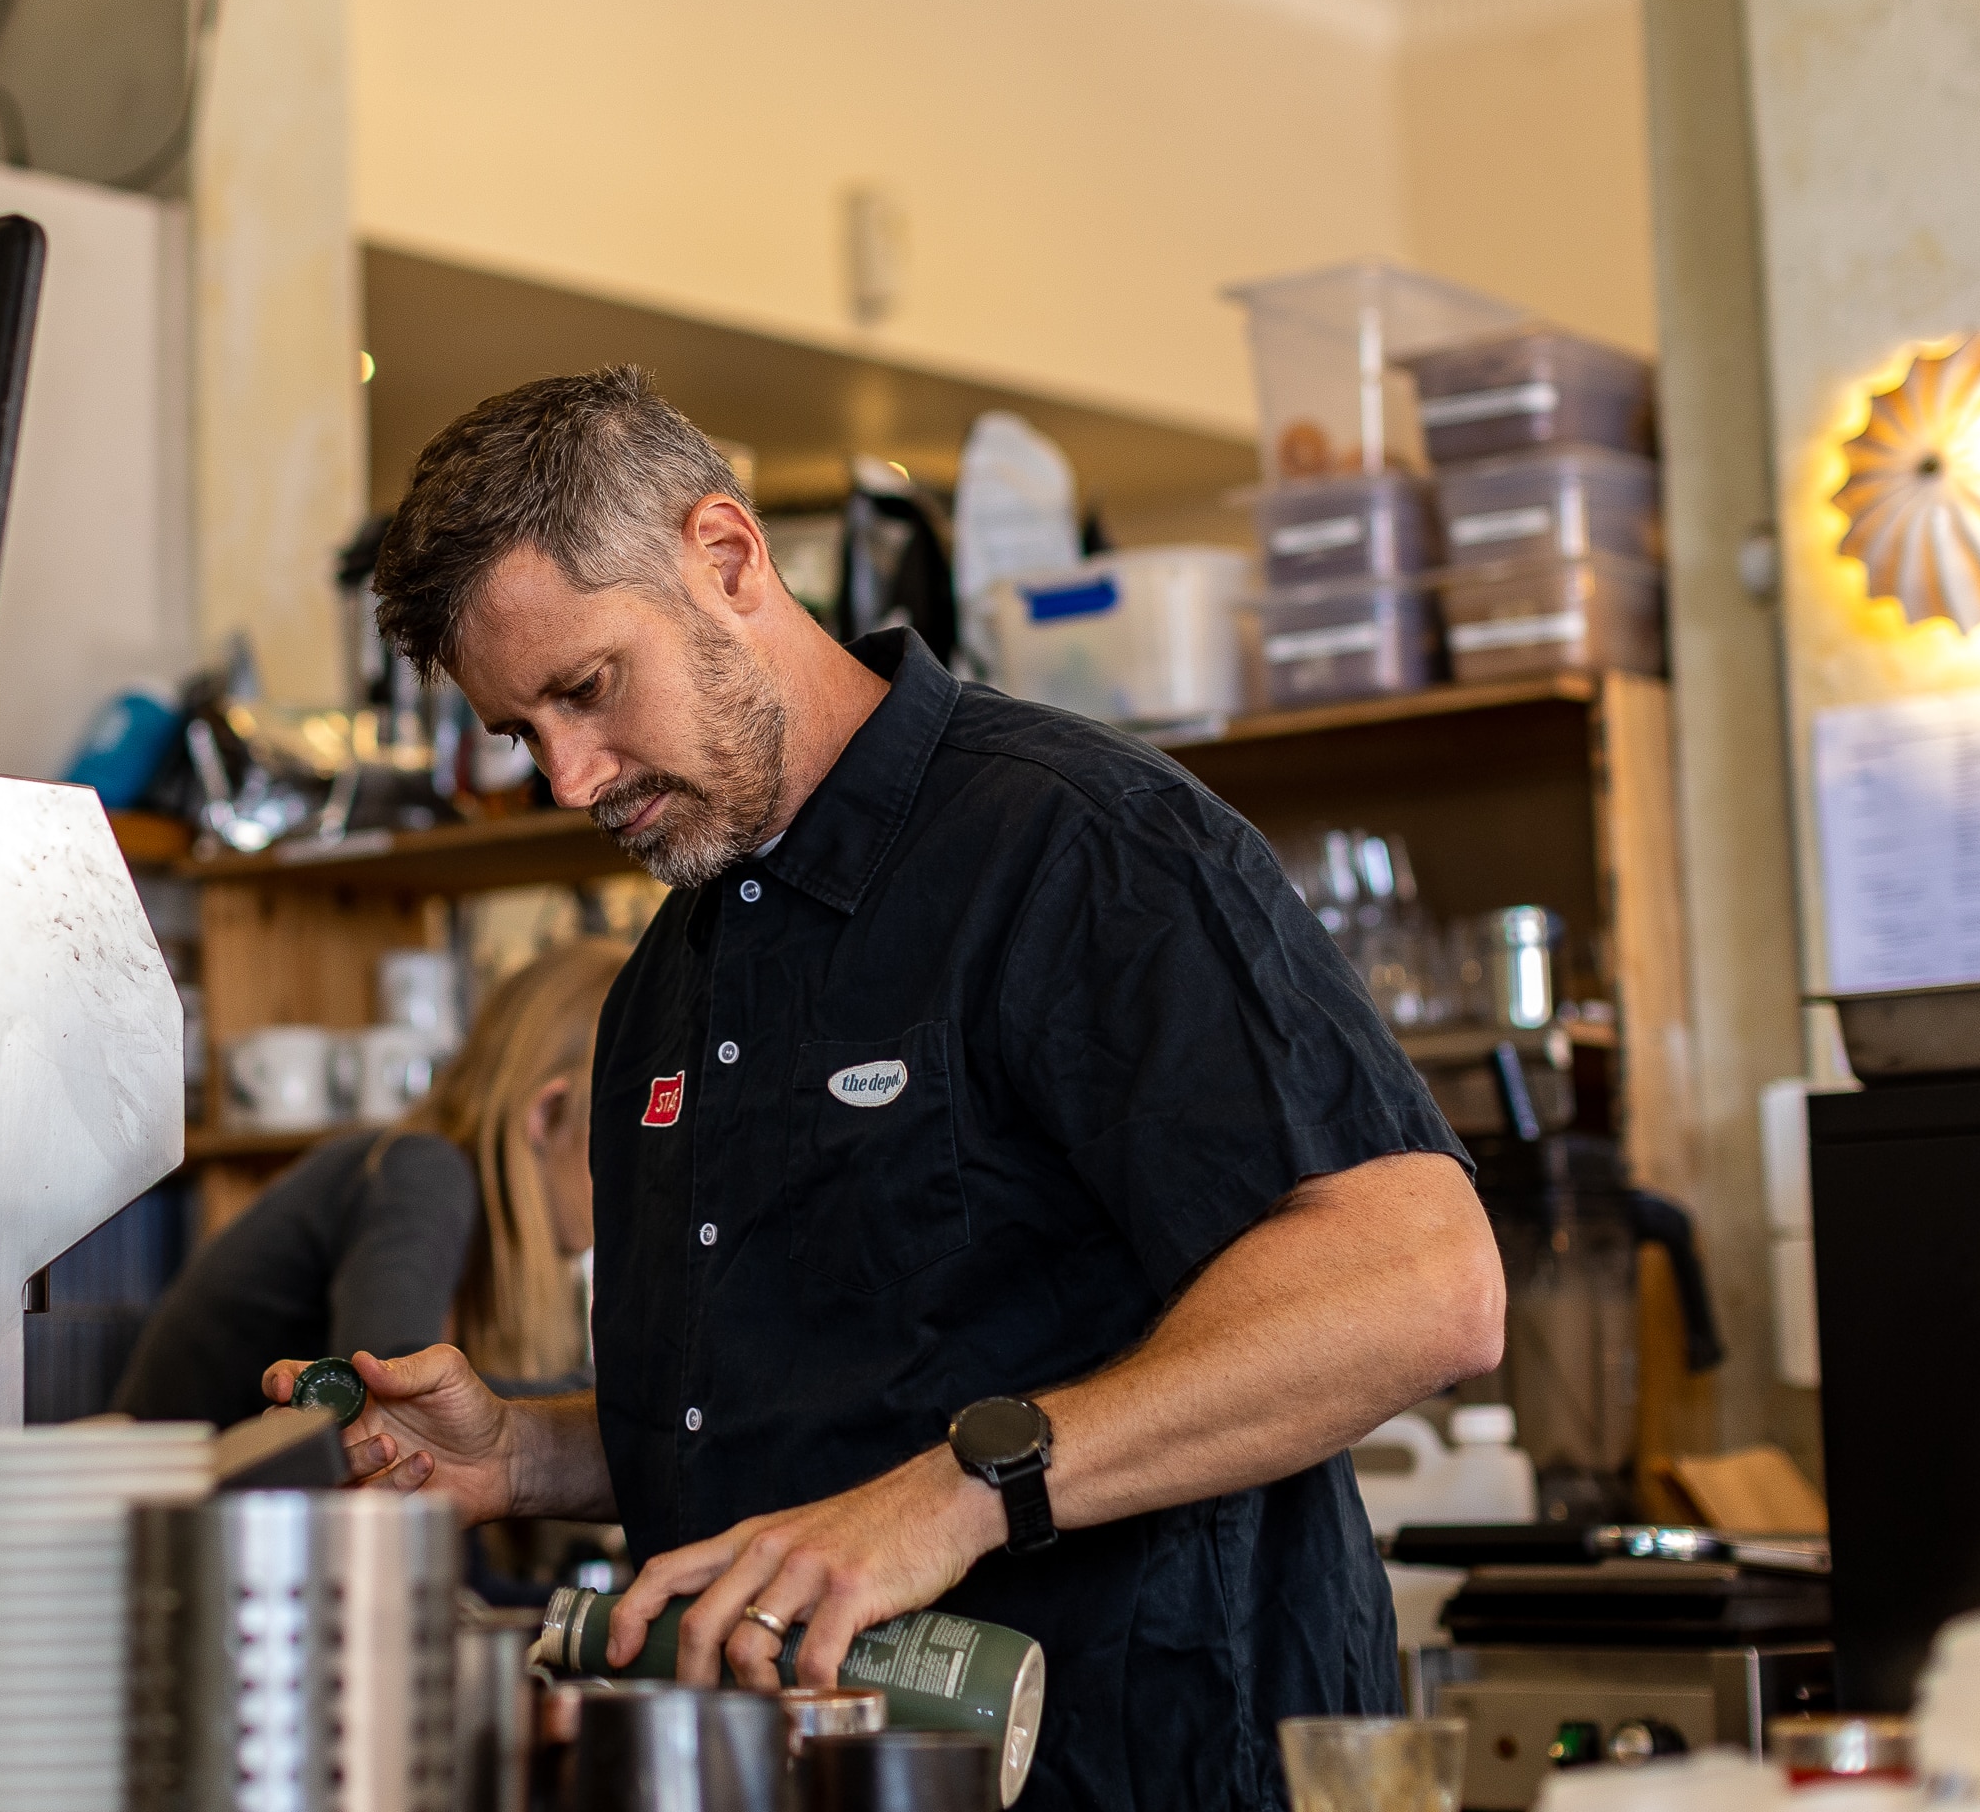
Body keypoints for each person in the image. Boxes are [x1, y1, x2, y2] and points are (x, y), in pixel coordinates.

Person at [262, 366, 1507, 1812]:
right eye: (518, 731)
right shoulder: (669, 976)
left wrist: (962, 1494)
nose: (567, 777)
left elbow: (1425, 1281)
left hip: (1144, 1762)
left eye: (587, 690)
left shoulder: (1085, 850)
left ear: (726, 558)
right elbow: (819, 1400)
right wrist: (529, 1454)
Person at [116, 938, 624, 1429]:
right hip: (167, 1508)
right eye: (630, 1134)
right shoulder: (422, 1171)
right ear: (548, 1112)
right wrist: (628, 1395)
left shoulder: (454, 1202)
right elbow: (400, 1402)